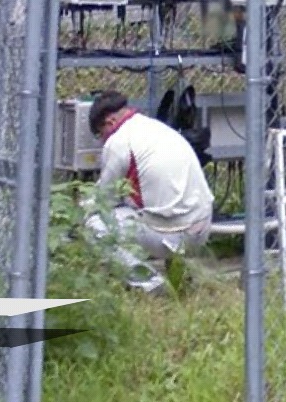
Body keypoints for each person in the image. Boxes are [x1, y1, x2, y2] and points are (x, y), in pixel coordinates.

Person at [86, 88, 214, 289]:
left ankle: (151, 285)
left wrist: (80, 209)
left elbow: (104, 200)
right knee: (154, 203)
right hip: (203, 226)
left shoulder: (118, 142)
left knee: (94, 225)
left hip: (172, 235)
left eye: (99, 134)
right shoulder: (156, 128)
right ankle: (180, 278)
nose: (101, 140)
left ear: (110, 122)